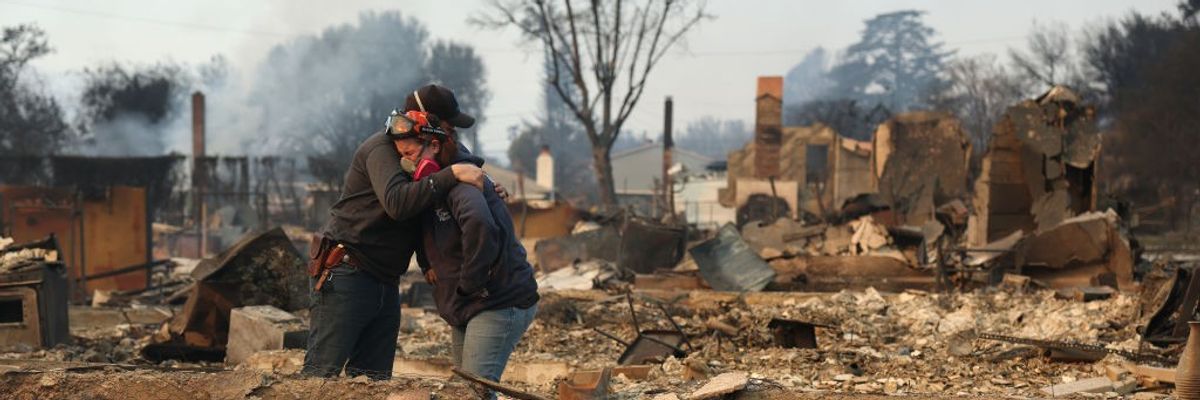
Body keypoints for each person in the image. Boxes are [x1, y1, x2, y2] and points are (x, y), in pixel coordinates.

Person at [303, 84, 502, 379]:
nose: (451, 137)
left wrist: (485, 185)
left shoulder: (430, 154)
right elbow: (398, 203)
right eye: (447, 128)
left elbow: (426, 207)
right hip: (347, 272)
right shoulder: (381, 150)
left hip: (385, 280)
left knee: (372, 380)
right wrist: (452, 175)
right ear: (424, 120)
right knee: (320, 376)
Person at [394, 118, 539, 400]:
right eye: (401, 156)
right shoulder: (434, 187)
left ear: (434, 146)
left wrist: (469, 284)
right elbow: (424, 228)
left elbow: (480, 224)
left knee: (474, 392)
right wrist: (426, 264)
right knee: (465, 391)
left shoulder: (462, 182)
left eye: (410, 154)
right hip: (467, 304)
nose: (407, 164)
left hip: (496, 300)